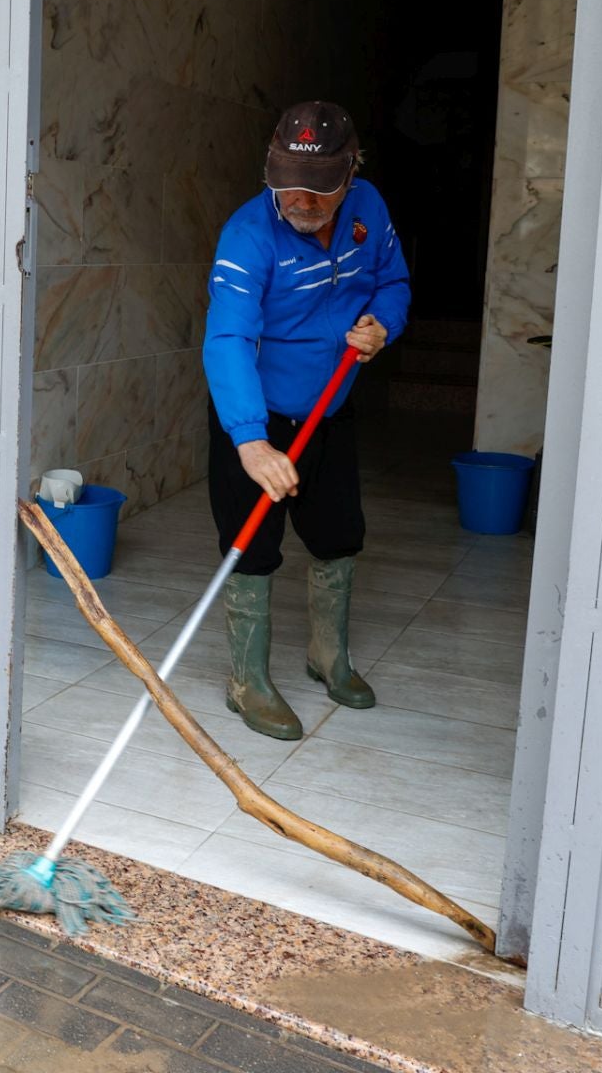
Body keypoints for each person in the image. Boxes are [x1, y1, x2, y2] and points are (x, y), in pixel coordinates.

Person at [201, 101, 411, 740]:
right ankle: (247, 682)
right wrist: (251, 441)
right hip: (256, 414)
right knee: (252, 545)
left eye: (319, 187)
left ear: (352, 173)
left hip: (331, 408)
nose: (302, 199)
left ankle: (328, 657)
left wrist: (382, 325)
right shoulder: (247, 235)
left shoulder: (369, 210)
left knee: (339, 533)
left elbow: (393, 282)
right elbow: (228, 338)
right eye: (286, 180)